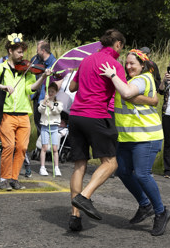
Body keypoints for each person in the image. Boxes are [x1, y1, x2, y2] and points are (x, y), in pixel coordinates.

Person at [100, 49, 170, 236]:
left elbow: (126, 92)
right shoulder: (130, 80)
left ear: (142, 65)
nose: (129, 66)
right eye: (127, 63)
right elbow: (130, 95)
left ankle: (161, 212)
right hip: (128, 137)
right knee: (123, 171)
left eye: (133, 63)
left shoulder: (143, 78)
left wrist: (113, 75)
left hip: (146, 136)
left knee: (142, 174)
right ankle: (145, 204)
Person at [67, 29, 126, 231]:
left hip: (75, 115)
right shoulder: (115, 64)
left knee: (79, 165)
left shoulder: (86, 60)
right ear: (117, 44)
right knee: (110, 163)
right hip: (97, 115)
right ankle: (85, 197)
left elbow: (73, 87)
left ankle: (75, 218)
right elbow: (125, 92)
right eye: (122, 46)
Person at [0, 33, 51, 191]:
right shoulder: (1, 68)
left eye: (22, 52)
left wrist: (42, 77)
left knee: (21, 148)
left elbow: (30, 89)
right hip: (6, 114)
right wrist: (2, 86)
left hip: (24, 115)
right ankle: (3, 179)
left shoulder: (27, 70)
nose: (22, 55)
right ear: (10, 51)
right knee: (8, 147)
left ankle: (14, 178)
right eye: (19, 52)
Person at [37, 82, 63, 176]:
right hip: (45, 127)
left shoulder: (58, 103)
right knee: (44, 147)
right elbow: (40, 110)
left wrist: (51, 106)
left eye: (53, 91)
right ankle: (42, 167)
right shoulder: (42, 102)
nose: (51, 93)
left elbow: (57, 111)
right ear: (46, 92)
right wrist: (44, 102)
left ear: (56, 92)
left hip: (54, 127)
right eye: (49, 91)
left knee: (55, 148)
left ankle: (56, 167)